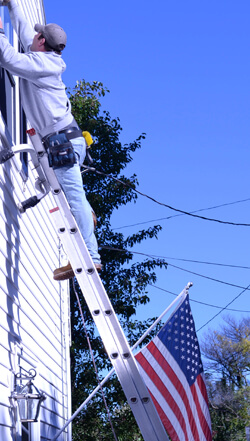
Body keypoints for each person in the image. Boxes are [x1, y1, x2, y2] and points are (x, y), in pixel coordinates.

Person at [0, 0, 102, 280]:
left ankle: (91, 257)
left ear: (42, 40)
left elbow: (8, 58)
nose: (31, 37)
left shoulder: (41, 64)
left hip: (62, 145)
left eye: (36, 35)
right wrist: (12, 7)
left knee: (74, 197)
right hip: (65, 142)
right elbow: (22, 33)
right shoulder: (43, 58)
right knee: (67, 192)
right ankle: (89, 215)